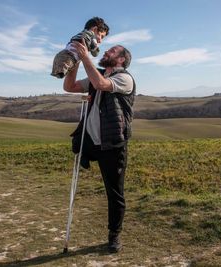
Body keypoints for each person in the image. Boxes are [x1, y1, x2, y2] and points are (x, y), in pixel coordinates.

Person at [63, 40, 135, 253]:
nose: (106, 51)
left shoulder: (125, 78)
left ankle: (114, 236)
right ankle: (85, 156)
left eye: (112, 50)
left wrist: (85, 57)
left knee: (114, 193)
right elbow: (69, 87)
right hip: (92, 141)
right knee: (79, 148)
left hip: (113, 143)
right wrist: (75, 62)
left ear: (121, 59)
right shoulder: (98, 74)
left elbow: (103, 85)